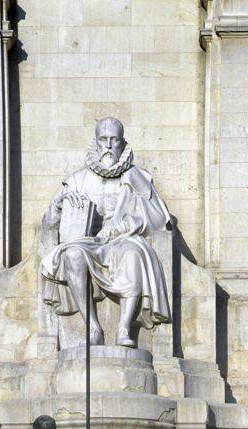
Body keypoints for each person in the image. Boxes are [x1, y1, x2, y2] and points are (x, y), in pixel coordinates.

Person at [41, 117, 171, 348]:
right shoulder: (77, 180)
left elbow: (160, 220)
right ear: (96, 142)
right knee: (71, 255)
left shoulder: (136, 177)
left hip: (122, 241)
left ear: (123, 143)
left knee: (134, 254)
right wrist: (59, 203)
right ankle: (93, 327)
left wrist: (126, 225)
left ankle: (123, 329)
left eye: (114, 140)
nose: (108, 146)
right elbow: (48, 225)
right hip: (87, 243)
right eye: (104, 139)